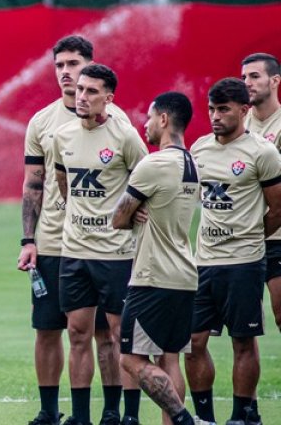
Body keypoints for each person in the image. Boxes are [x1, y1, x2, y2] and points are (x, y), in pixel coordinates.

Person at [20, 36, 129, 425]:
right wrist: (28, 240)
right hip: (52, 241)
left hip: (102, 246)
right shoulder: (42, 122)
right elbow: (34, 184)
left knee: (105, 334)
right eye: (60, 65)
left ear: (91, 66)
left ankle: (113, 412)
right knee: (49, 329)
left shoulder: (119, 123)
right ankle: (50, 412)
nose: (66, 72)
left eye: (74, 64)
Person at [52, 64, 147, 425]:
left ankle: (127, 415)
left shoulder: (125, 137)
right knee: (78, 333)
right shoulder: (63, 136)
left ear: (109, 97)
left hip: (116, 254)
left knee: (122, 335)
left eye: (92, 91)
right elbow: (64, 182)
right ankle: (80, 417)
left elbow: (146, 183)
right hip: (75, 252)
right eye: (79, 89)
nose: (82, 96)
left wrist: (130, 211)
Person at [110, 92, 209, 425]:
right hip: (184, 274)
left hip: (152, 276)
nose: (145, 124)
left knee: (130, 359)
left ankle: (184, 419)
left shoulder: (152, 164)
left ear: (164, 119)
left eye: (150, 117)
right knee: (170, 360)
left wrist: (135, 209)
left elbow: (118, 218)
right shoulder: (193, 163)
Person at [186, 78, 281, 425]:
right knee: (193, 343)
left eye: (223, 109)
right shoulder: (198, 149)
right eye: (211, 109)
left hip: (244, 264)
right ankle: (204, 417)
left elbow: (278, 207)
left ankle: (242, 415)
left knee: (243, 342)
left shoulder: (262, 153)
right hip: (203, 263)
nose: (215, 116)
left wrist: (251, 238)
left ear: (244, 110)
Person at [239, 53, 281, 340]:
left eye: (254, 76)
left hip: (276, 234)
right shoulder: (238, 124)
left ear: (274, 80)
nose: (247, 83)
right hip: (241, 237)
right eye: (244, 78)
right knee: (243, 330)